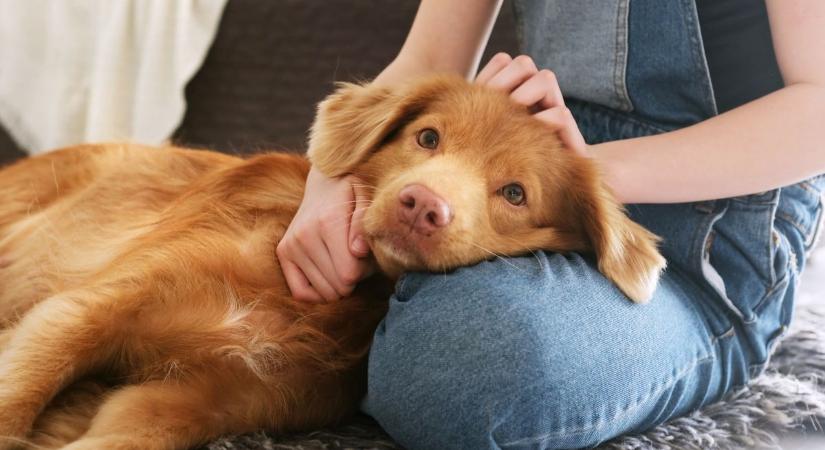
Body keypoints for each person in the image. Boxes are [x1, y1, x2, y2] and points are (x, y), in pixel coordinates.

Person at [276, 0, 825, 448]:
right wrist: (327, 175)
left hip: (703, 261)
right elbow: (429, 57)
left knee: (464, 365)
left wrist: (583, 174)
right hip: (520, 210)